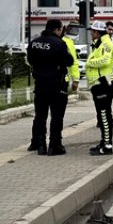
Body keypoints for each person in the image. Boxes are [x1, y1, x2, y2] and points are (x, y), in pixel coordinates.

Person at [26, 19, 74, 156]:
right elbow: (69, 61)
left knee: (40, 116)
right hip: (56, 84)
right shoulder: (59, 43)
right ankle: (55, 145)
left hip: (40, 84)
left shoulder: (34, 43)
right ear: (57, 30)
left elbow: (30, 60)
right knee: (57, 115)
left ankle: (41, 145)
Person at [85, 20, 113, 155]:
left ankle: (107, 146)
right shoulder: (99, 44)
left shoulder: (106, 44)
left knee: (104, 115)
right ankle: (104, 142)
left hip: (104, 83)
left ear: (97, 33)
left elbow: (105, 60)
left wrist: (89, 62)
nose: (91, 34)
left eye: (92, 32)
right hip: (100, 83)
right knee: (102, 114)